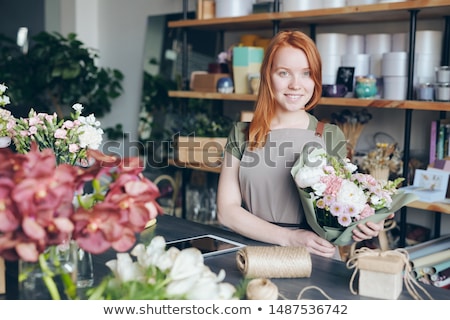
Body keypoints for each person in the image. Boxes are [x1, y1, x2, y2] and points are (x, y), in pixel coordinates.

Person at [217, 30, 389, 259]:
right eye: (284, 73)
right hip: (252, 253)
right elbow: (226, 211)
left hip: (314, 255)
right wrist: (289, 238)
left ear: (315, 79)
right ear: (268, 75)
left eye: (306, 73)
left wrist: (362, 223)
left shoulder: (330, 135)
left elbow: (341, 210)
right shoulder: (241, 133)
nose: (295, 85)